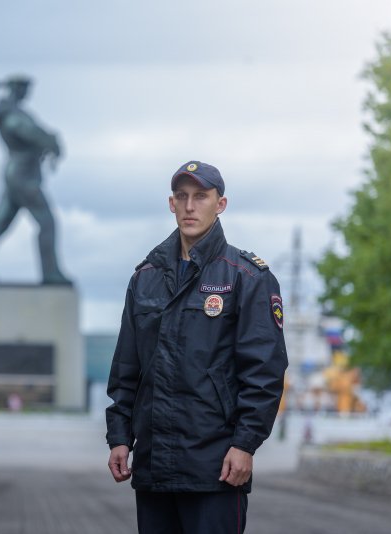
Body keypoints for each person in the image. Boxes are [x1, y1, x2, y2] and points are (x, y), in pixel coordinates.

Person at [105, 161, 287, 534]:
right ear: (171, 204)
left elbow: (264, 373)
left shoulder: (246, 277)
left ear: (220, 204)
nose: (190, 206)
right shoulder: (145, 279)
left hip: (216, 464)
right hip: (154, 465)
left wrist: (245, 444)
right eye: (182, 197)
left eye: (200, 197)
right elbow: (127, 367)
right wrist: (120, 437)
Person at [0, 75, 71, 285]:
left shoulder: (13, 112)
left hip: (21, 173)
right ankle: (51, 273)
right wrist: (49, 139)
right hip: (22, 175)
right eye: (24, 88)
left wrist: (48, 139)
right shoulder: (9, 114)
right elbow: (25, 131)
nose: (27, 93)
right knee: (47, 222)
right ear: (16, 89)